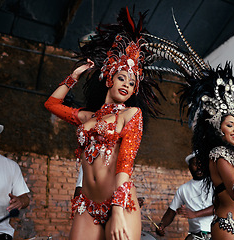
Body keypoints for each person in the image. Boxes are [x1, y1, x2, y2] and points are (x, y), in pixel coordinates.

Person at [44, 7, 167, 240]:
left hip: (118, 200)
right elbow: (51, 104)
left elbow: (125, 164)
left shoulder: (130, 115)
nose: (126, 85)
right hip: (87, 203)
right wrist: (75, 75)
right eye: (122, 78)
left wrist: (118, 211)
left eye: (131, 83)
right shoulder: (88, 117)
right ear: (110, 77)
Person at [148, 15, 234, 239]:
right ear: (217, 127)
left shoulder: (233, 156)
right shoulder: (218, 154)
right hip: (232, 230)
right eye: (230, 124)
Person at [155, 152, 213, 240]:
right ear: (189, 167)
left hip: (215, 233)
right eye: (195, 164)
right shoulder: (183, 189)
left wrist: (195, 214)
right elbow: (171, 211)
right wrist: (162, 225)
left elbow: (221, 206)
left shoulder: (213, 183)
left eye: (202, 164)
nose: (199, 167)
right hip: (196, 235)